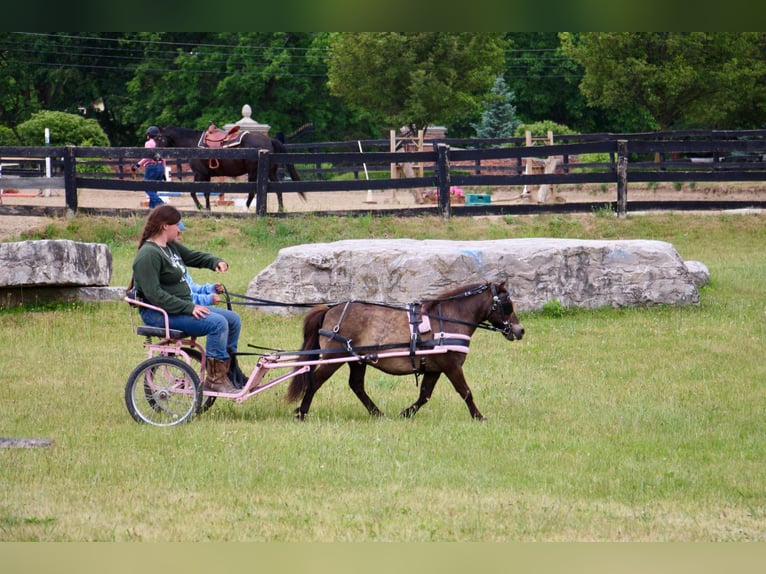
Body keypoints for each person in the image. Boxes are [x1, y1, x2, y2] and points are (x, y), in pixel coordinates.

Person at [130, 205, 242, 394]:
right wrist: (189, 307)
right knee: (218, 324)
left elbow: (193, 256)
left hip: (179, 309)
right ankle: (215, 380)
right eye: (176, 225)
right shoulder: (148, 255)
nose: (179, 229)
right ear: (165, 226)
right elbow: (154, 295)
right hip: (159, 313)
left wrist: (214, 261)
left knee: (233, 319)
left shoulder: (169, 247)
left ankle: (229, 373)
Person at [131, 125, 166, 209]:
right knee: (153, 189)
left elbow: (148, 156)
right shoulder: (160, 143)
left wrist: (138, 164)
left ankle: (160, 203)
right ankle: (152, 209)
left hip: (152, 167)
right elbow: (164, 159)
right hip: (160, 166)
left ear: (149, 134)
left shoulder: (148, 143)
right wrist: (163, 170)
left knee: (147, 187)